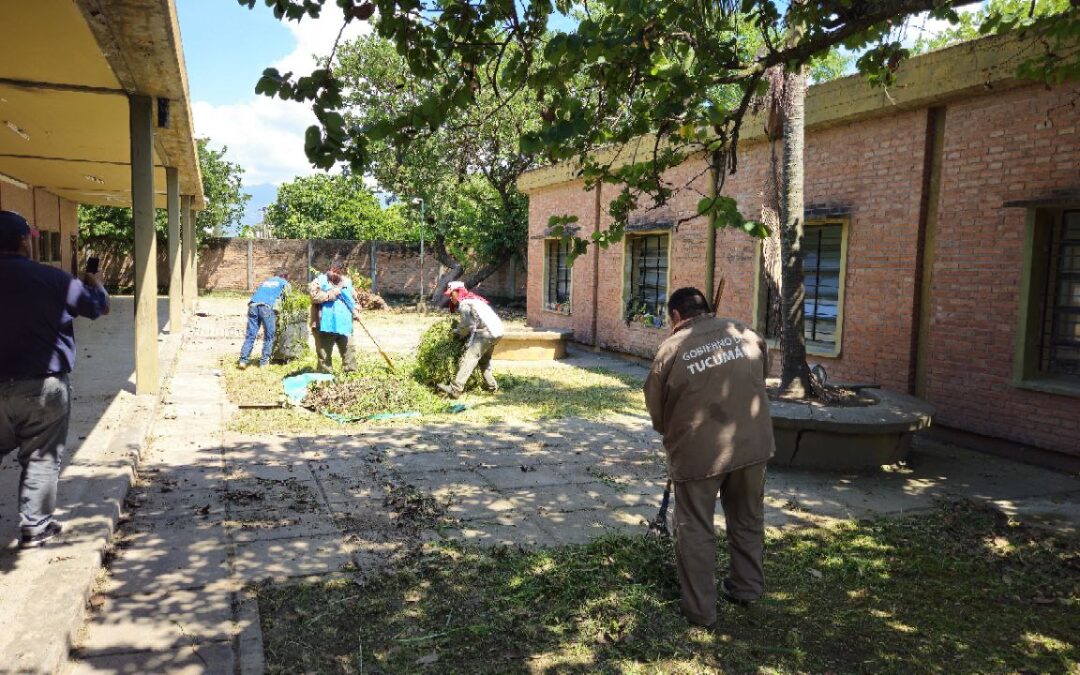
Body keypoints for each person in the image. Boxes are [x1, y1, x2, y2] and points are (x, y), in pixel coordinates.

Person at [643, 286, 775, 628]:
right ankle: (746, 588)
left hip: (699, 454)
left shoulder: (671, 349)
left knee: (695, 527)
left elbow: (658, 413)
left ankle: (701, 611)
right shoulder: (746, 334)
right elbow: (761, 378)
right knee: (747, 517)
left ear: (676, 316)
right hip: (753, 445)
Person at [0, 210, 110, 549]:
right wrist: (97, 284)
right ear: (22, 241)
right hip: (42, 386)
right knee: (41, 456)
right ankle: (35, 527)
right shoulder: (54, 279)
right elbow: (98, 308)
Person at [436, 280, 503, 398]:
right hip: (498, 332)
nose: (450, 298)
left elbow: (468, 326)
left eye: (451, 294)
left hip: (486, 333)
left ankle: (455, 389)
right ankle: (492, 386)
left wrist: (456, 332)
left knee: (469, 359)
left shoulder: (465, 304)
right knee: (484, 361)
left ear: (458, 292)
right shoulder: (475, 300)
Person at [308, 258, 357, 373]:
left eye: (338, 272)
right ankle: (325, 379)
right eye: (333, 271)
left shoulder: (346, 283)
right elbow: (314, 297)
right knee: (324, 356)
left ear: (342, 272)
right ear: (329, 269)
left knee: (349, 351)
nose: (335, 274)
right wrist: (332, 294)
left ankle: (351, 376)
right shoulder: (319, 281)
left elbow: (354, 298)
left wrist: (356, 309)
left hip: (343, 325)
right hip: (323, 325)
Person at [237, 268, 291, 369]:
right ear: (285, 276)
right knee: (269, 335)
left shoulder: (266, 281)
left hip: (253, 306)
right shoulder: (284, 282)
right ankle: (264, 362)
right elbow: (287, 299)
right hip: (266, 307)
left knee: (251, 335)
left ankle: (243, 361)